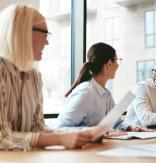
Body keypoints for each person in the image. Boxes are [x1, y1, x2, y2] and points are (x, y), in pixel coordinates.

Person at [0, 4, 93, 150]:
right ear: (24, 32)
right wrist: (59, 139)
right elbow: (1, 136)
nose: (47, 41)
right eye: (45, 34)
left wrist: (82, 134)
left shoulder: (35, 77)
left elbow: (38, 129)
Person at [57, 42, 145, 132]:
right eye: (117, 60)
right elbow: (60, 129)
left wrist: (130, 127)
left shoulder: (106, 94)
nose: (118, 65)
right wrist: (94, 131)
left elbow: (116, 122)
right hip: (82, 145)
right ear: (109, 64)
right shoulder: (86, 92)